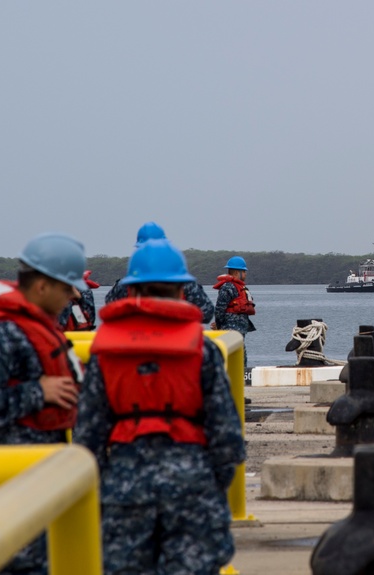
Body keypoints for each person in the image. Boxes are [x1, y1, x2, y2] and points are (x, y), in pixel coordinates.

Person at [74, 239, 245, 574]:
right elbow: (227, 439)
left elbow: (88, 439)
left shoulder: (105, 354)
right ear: (181, 290)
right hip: (192, 486)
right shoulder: (204, 352)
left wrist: (109, 487)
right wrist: (209, 486)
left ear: (132, 292)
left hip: (125, 490)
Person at [0, 232, 87, 575]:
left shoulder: (41, 328)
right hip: (12, 475)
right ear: (41, 286)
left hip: (44, 469)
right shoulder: (4, 333)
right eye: (67, 287)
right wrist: (37, 393)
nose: (74, 295)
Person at [104, 222, 215, 324]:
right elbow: (206, 313)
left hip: (134, 339)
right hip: (178, 339)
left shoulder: (124, 285)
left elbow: (110, 306)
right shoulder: (187, 285)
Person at [212, 256, 256, 383]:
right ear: (237, 272)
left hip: (240, 332)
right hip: (230, 331)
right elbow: (219, 309)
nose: (246, 274)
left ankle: (239, 392)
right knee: (232, 361)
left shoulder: (241, 288)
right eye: (244, 271)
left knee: (241, 361)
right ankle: (229, 392)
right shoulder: (227, 287)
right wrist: (219, 326)